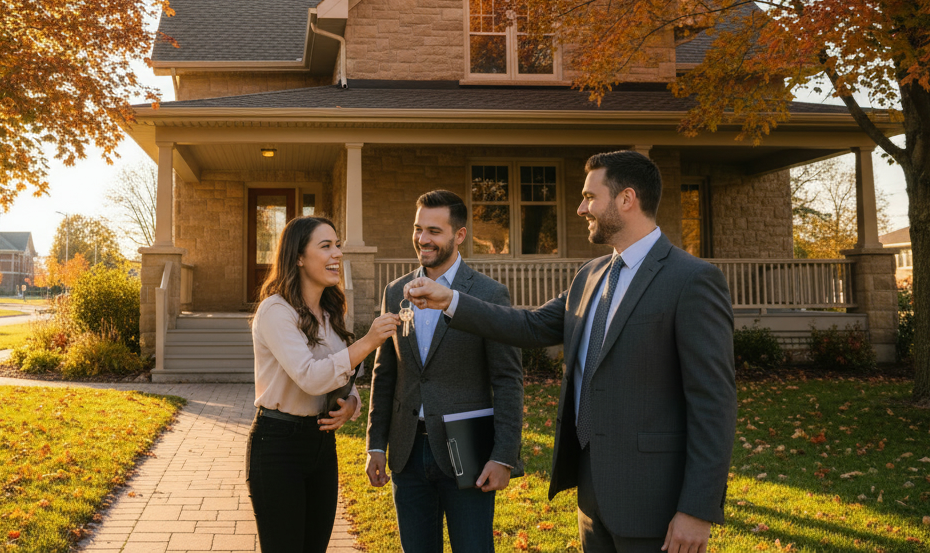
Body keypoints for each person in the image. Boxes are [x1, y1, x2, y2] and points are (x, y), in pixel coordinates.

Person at [407, 151, 736, 553]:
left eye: (589, 197)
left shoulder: (692, 280)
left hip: (656, 503)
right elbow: (528, 325)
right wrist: (451, 300)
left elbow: (713, 403)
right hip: (592, 496)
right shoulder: (591, 275)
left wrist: (697, 510)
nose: (581, 208)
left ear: (626, 199)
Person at [366, 190, 524, 552]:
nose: (423, 239)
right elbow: (385, 373)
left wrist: (503, 456)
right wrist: (376, 444)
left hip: (467, 448)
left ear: (460, 235)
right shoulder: (395, 292)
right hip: (406, 451)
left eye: (434, 231)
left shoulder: (489, 295)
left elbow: (508, 379)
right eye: (418, 229)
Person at [248, 215, 402, 553]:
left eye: (338, 246)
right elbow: (311, 376)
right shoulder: (276, 311)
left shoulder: (330, 312)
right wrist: (368, 341)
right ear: (299, 256)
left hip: (321, 446)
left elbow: (340, 377)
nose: (337, 254)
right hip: (278, 447)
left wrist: (351, 406)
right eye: (326, 246)